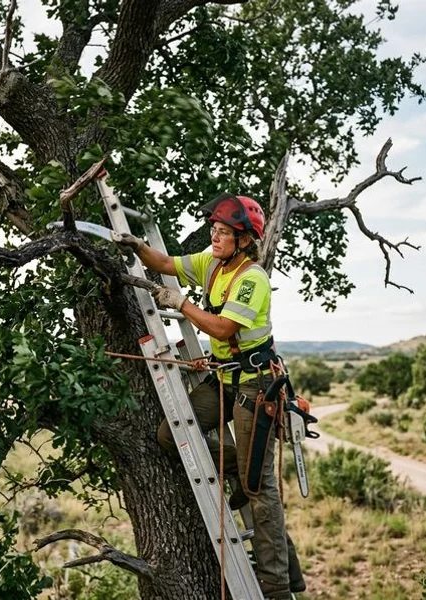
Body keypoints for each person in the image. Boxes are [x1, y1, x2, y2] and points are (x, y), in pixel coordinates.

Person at [116, 193, 305, 600]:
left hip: (255, 386)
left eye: (222, 233)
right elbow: (165, 264)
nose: (214, 238)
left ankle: (277, 588)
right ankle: (237, 468)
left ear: (243, 240)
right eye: (214, 231)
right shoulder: (212, 263)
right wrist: (136, 245)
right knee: (171, 435)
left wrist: (181, 303)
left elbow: (221, 329)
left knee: (260, 489)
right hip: (225, 380)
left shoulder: (252, 279)